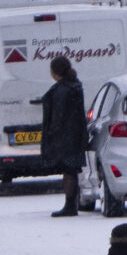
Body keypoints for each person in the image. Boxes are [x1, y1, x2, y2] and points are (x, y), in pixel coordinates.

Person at [40, 54, 88, 216]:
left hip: (65, 138)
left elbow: (58, 116)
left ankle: (69, 205)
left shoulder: (62, 90)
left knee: (69, 171)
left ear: (55, 72)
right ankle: (71, 203)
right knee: (71, 170)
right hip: (75, 136)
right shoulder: (75, 86)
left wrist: (52, 135)